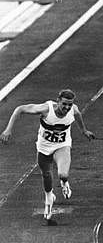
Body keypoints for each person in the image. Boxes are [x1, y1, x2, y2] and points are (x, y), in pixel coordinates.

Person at [0, 89, 95, 225]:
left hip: (62, 145)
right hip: (44, 147)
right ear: (58, 101)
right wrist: (8, 129)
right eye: (64, 104)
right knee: (46, 175)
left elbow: (78, 115)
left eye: (69, 104)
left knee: (63, 174)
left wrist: (84, 131)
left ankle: (64, 182)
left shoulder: (73, 110)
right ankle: (49, 198)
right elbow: (20, 109)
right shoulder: (46, 109)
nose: (67, 108)